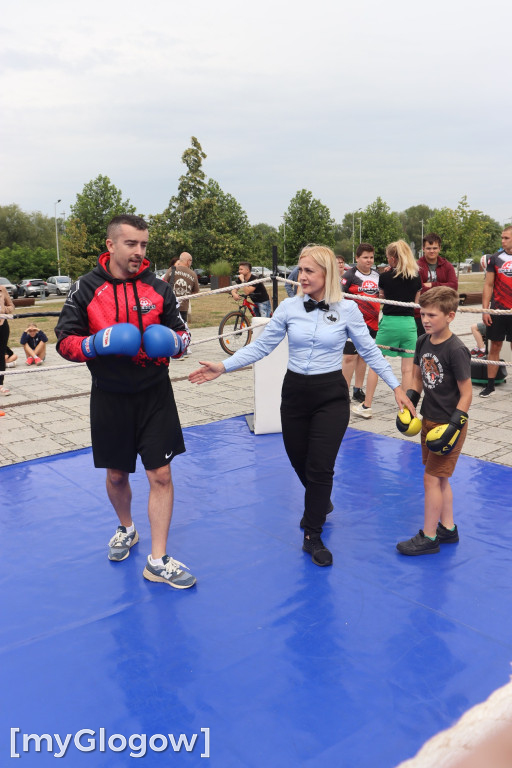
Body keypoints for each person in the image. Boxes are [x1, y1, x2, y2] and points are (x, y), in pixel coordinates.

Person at [189, 244, 415, 567]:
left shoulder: (348, 310)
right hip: (295, 392)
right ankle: (320, 499)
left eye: (309, 271)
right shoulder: (289, 309)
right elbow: (262, 347)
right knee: (300, 460)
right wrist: (223, 367)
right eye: (300, 269)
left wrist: (396, 387)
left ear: (327, 274)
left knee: (320, 466)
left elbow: (370, 351)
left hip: (330, 395)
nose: (301, 277)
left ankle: (312, 533)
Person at [55, 214, 196, 590]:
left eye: (144, 245)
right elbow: (64, 340)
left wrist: (175, 343)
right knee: (117, 474)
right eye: (131, 244)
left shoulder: (159, 289)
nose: (139, 252)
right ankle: (127, 528)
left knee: (161, 474)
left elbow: (184, 336)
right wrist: (94, 343)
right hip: (110, 394)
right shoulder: (86, 287)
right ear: (111, 245)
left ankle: (158, 559)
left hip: (155, 392)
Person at [396, 287, 472, 555]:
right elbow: (417, 379)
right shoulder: (422, 341)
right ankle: (448, 529)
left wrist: (454, 426)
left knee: (431, 479)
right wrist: (409, 405)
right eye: (422, 313)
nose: (425, 319)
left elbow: (467, 393)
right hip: (428, 420)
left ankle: (429, 538)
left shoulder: (457, 349)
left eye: (432, 314)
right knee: (439, 479)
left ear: (450, 316)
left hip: (449, 425)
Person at [352, 240, 422, 419]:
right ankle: (405, 408)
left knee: (376, 365)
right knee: (407, 369)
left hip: (390, 322)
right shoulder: (416, 277)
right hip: (408, 324)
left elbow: (381, 298)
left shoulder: (384, 277)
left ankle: (367, 405)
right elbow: (417, 302)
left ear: (392, 258)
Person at [341, 243, 380, 404]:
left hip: (372, 324)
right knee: (349, 357)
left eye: (371, 257)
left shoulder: (377, 275)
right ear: (357, 258)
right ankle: (343, 391)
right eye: (365, 257)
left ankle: (358, 389)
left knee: (363, 357)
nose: (368, 260)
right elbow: (339, 297)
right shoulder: (349, 275)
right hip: (352, 324)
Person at [479, 226, 512, 398]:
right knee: (495, 346)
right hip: (498, 310)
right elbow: (488, 285)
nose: (502, 240)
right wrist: (485, 310)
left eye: (506, 238)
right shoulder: (495, 259)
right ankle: (490, 385)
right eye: (502, 237)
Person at [415, 233, 458, 335]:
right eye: (428, 248)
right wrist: (443, 287)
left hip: (441, 311)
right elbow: (418, 288)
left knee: (439, 340)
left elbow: (453, 286)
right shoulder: (416, 266)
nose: (432, 251)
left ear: (439, 248)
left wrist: (432, 285)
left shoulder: (447, 266)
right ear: (423, 248)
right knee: (421, 342)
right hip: (421, 312)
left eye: (435, 248)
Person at [163, 251, 199, 325]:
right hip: (183, 308)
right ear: (188, 261)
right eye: (191, 261)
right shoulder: (193, 274)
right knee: (181, 331)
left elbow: (163, 284)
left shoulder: (171, 269)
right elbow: (196, 291)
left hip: (170, 306)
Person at [0, 283, 14, 396]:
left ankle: (0, 384)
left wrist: (4, 309)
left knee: (1, 354)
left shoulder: (2, 289)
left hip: (2, 324)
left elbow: (11, 306)